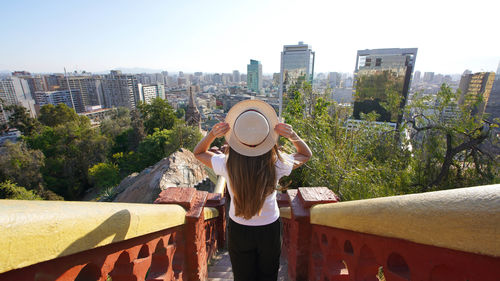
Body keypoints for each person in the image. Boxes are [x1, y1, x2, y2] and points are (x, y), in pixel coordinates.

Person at [193, 100, 311, 281]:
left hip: (238, 229)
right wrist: (292, 135)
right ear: (266, 136)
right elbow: (305, 154)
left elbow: (198, 152)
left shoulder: (226, 163)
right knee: (268, 276)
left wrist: (211, 134)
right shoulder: (277, 163)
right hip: (269, 228)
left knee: (243, 277)